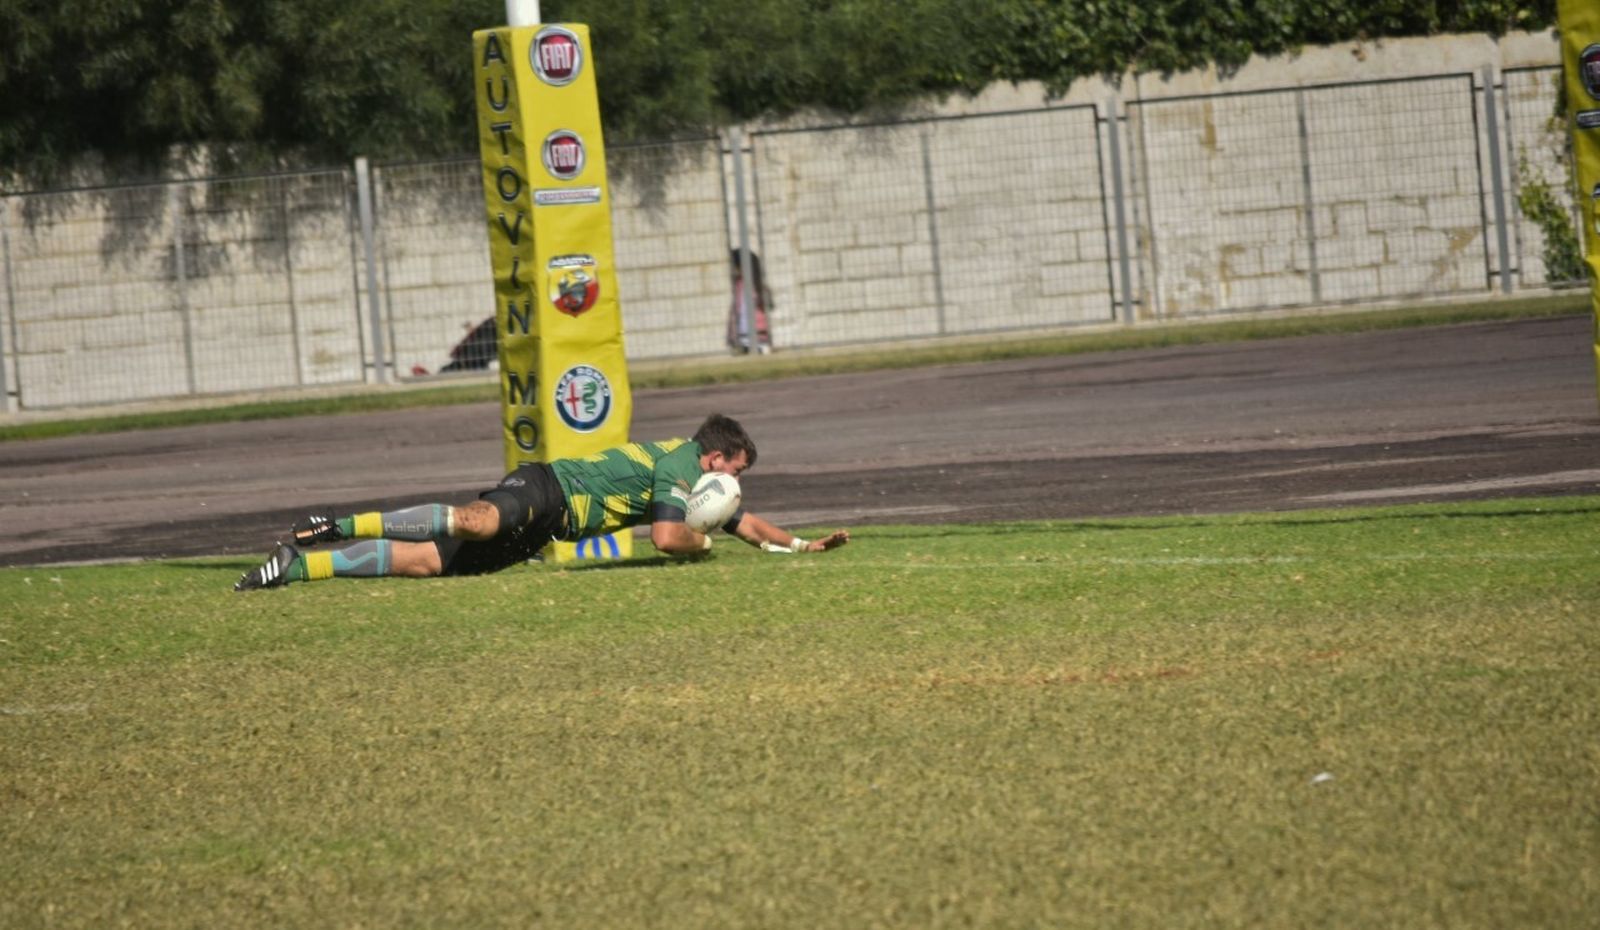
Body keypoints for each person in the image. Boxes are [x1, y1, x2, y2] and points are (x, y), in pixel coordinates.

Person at [233, 414, 849, 590]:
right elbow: (668, 540)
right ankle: (333, 524)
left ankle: (295, 564)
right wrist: (704, 546)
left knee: (426, 564)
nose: (737, 489)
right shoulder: (681, 465)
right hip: (548, 488)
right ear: (716, 460)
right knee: (474, 523)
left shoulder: (695, 487)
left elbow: (743, 522)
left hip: (549, 531)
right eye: (737, 474)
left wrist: (799, 545)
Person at [725, 248, 773, 355]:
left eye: (733, 265)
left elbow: (768, 305)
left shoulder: (757, 285)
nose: (731, 269)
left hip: (758, 336)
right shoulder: (738, 285)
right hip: (741, 337)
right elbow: (735, 313)